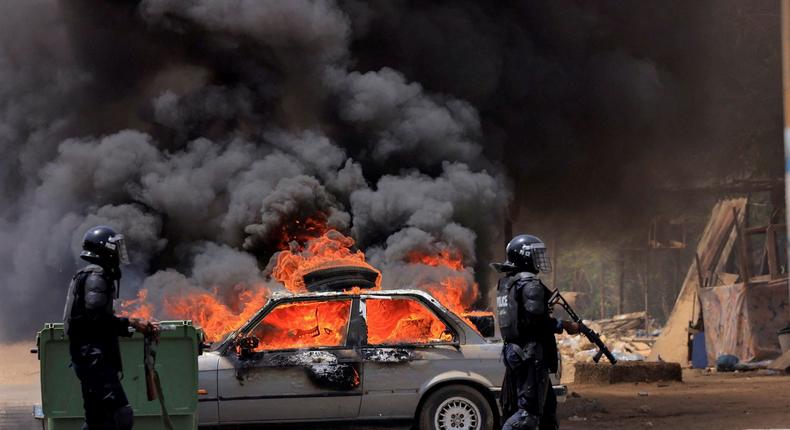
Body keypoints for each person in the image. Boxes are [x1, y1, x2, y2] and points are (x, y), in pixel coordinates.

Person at [63, 226, 157, 430]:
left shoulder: (89, 275)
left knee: (96, 421)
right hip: (93, 358)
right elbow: (97, 319)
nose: (118, 253)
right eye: (115, 247)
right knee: (120, 415)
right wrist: (132, 323)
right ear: (104, 249)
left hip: (89, 357)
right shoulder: (97, 276)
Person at [493, 234, 580, 430]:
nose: (540, 260)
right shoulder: (530, 285)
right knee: (527, 416)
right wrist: (564, 325)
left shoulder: (507, 283)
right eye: (536, 254)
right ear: (525, 256)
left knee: (547, 412)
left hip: (517, 351)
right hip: (530, 355)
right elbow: (536, 322)